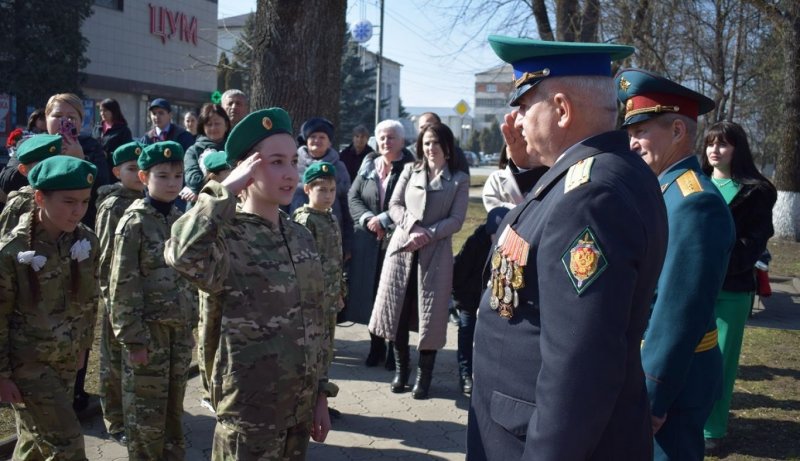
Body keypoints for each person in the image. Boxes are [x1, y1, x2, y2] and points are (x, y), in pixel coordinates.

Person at [467, 36, 669, 460]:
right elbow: (543, 234)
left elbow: (579, 366)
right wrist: (525, 170)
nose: (516, 122)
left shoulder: (591, 197)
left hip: (538, 440)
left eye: (523, 107)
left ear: (561, 109)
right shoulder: (602, 170)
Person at [165, 107, 337, 460]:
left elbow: (318, 321)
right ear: (246, 169)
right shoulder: (226, 236)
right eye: (276, 162)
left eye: (292, 161)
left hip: (299, 411)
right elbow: (180, 254)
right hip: (249, 415)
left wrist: (320, 393)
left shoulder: (301, 236)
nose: (290, 173)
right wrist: (222, 189)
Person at [617, 68, 735, 461]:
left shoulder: (693, 203)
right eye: (630, 133)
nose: (632, 143)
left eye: (641, 132)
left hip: (673, 380)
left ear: (678, 132)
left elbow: (678, 311)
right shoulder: (663, 189)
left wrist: (652, 394)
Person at [0, 155, 99, 460]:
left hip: (66, 360)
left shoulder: (86, 241)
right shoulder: (13, 251)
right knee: (67, 445)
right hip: (28, 366)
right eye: (69, 201)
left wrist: (83, 347)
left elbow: (89, 301)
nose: (78, 211)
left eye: (84, 202)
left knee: (34, 442)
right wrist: (2, 374)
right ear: (40, 197)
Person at [369, 122, 469, 399]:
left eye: (435, 143)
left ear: (447, 147)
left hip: (435, 256)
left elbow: (457, 220)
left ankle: (424, 377)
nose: (430, 148)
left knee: (432, 318)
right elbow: (394, 205)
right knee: (397, 314)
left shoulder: (458, 180)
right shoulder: (409, 171)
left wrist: (427, 235)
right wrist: (413, 227)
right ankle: (402, 370)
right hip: (402, 251)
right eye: (426, 143)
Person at [108, 141, 193, 460]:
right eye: (162, 175)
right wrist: (134, 340)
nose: (172, 182)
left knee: (173, 411)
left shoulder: (179, 218)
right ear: (144, 177)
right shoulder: (135, 222)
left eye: (177, 175)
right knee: (145, 417)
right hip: (149, 335)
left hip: (179, 333)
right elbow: (122, 285)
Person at [700, 121, 777, 451]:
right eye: (710, 144)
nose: (715, 150)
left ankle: (712, 430)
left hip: (731, 291)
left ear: (737, 149)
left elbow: (755, 241)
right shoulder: (695, 184)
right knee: (686, 361)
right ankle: (683, 421)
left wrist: (717, 263)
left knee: (720, 362)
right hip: (691, 289)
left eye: (723, 144)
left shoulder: (757, 191)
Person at [347, 119, 415, 368]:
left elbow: (413, 201)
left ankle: (393, 351)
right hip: (368, 240)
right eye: (382, 137)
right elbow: (353, 196)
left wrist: (384, 220)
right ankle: (375, 347)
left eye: (391, 137)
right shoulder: (369, 164)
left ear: (402, 140)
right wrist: (368, 219)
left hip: (396, 238)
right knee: (371, 294)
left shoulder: (411, 167)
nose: (386, 142)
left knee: (394, 295)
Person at [94, 141, 146, 446]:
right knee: (113, 362)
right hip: (117, 295)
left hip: (140, 296)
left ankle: (134, 414)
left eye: (142, 170)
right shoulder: (114, 205)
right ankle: (115, 420)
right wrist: (109, 298)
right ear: (116, 171)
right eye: (131, 169)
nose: (138, 175)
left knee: (133, 363)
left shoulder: (147, 201)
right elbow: (105, 256)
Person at [292, 161, 345, 418]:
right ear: (307, 190)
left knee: (326, 349)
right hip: (312, 301)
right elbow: (301, 265)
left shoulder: (331, 217)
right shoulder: (305, 220)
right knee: (312, 352)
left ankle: (320, 398)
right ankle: (307, 401)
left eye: (332, 189)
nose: (328, 195)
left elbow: (336, 258)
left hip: (330, 299)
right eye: (321, 189)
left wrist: (340, 291)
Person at [452, 207, 507, 395]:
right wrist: (459, 300)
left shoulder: (509, 247)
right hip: (470, 299)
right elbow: (459, 273)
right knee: (466, 334)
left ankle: (487, 377)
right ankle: (465, 375)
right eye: (494, 235)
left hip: (493, 303)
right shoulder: (474, 244)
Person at [290, 117, 353, 258]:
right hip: (296, 234)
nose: (317, 140)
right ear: (306, 139)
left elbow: (347, 205)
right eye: (313, 136)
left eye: (322, 137)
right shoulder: (293, 164)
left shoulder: (339, 167)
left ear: (329, 142)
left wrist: (347, 243)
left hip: (329, 237)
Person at [0, 134, 64, 237]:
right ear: (24, 170)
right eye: (41, 166)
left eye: (56, 165)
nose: (50, 171)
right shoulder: (18, 204)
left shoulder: (67, 195)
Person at [181, 103, 231, 204]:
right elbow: (194, 181)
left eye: (217, 123)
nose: (213, 128)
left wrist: (201, 191)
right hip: (200, 208)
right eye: (209, 124)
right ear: (202, 127)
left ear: (226, 125)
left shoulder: (234, 148)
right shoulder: (193, 151)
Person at [482, 144, 548, 211]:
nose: (516, 150)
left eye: (524, 145)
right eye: (510, 145)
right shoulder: (496, 177)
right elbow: (492, 203)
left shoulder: (546, 174)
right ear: (506, 153)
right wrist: (521, 211)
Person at [93, 98, 134, 179]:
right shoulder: (97, 128)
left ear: (113, 111)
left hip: (113, 173)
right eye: (101, 110)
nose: (102, 113)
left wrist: (107, 155)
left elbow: (126, 153)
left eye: (105, 111)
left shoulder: (123, 130)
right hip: (96, 170)